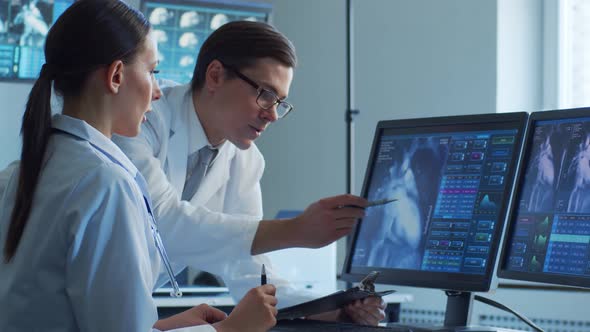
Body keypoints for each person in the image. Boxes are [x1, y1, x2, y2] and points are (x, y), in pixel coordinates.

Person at [0, 1, 277, 331]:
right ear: (116, 76)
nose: (158, 91)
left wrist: (162, 326)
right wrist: (229, 329)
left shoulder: (21, 172)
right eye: (152, 72)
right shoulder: (105, 184)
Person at [112, 21, 386, 325]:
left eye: (280, 103)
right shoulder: (142, 120)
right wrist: (296, 230)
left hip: (124, 311)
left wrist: (332, 309)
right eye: (265, 94)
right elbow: (161, 222)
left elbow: (249, 267)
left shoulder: (245, 160)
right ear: (215, 75)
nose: (271, 115)